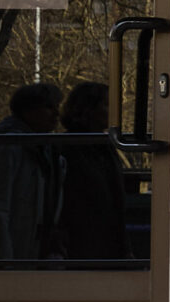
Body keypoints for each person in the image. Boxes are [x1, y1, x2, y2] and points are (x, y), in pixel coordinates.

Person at [0, 80, 62, 261]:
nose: (56, 114)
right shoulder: (9, 148)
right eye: (48, 107)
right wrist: (4, 261)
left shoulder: (47, 152)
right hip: (5, 257)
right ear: (28, 111)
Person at [54, 80, 132, 261]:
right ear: (88, 109)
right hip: (81, 241)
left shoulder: (104, 145)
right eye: (106, 105)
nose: (113, 112)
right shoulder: (70, 147)